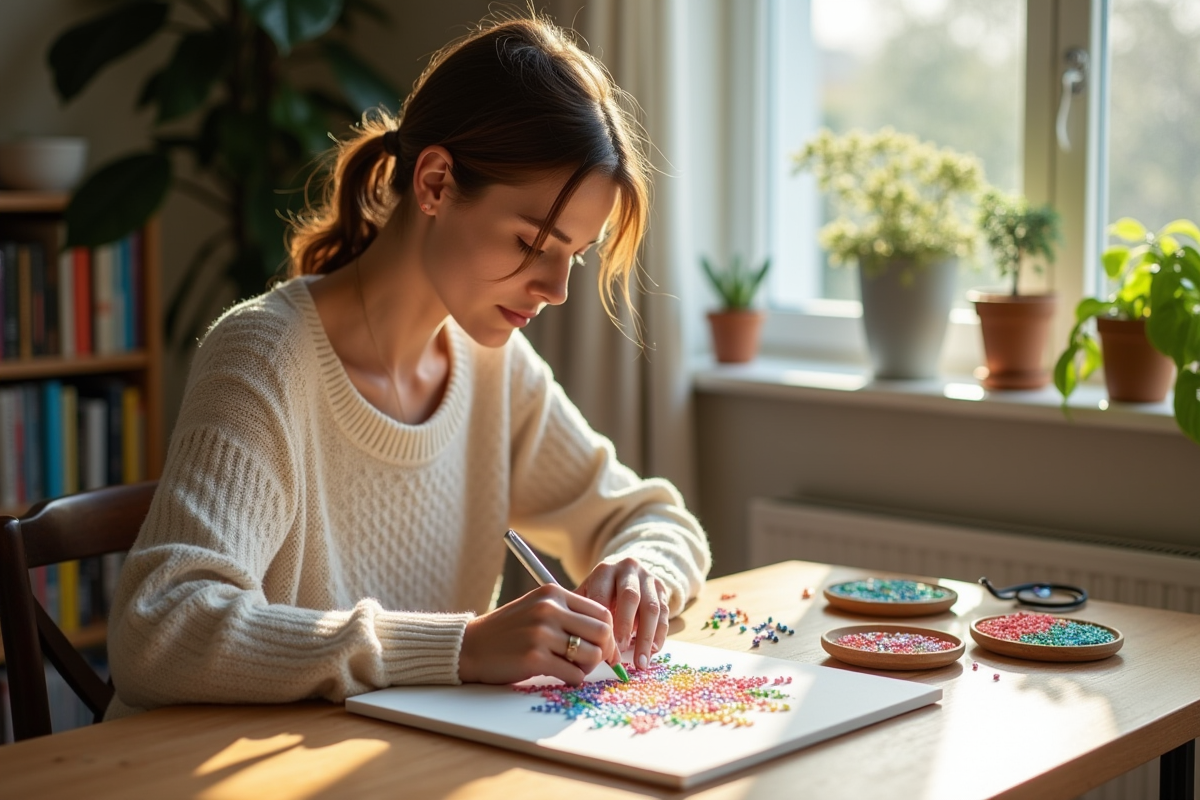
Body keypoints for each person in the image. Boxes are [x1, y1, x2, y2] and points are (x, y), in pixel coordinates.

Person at [104, 15, 710, 719]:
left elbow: (659, 519)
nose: (556, 289)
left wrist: (641, 577)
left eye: (572, 255)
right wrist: (460, 648)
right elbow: (158, 629)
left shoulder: (493, 367)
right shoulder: (264, 358)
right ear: (435, 182)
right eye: (531, 240)